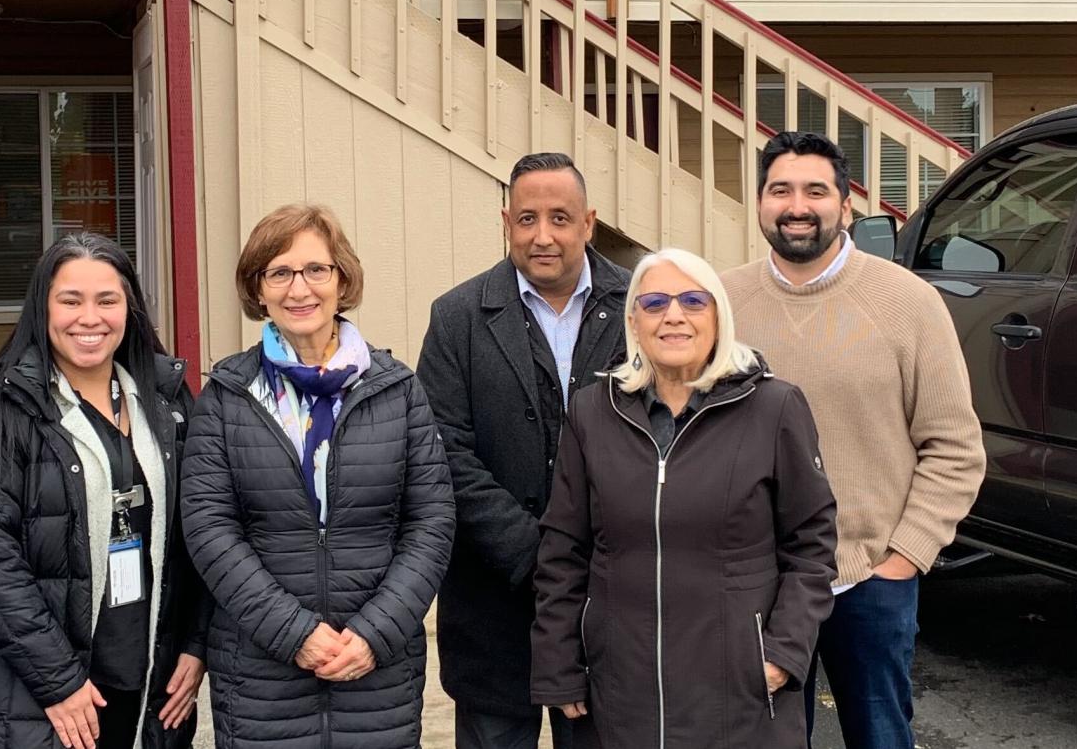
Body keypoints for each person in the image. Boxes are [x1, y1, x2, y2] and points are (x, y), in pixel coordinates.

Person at [720, 132, 986, 749]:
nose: (797, 205)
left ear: (846, 207)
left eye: (817, 190)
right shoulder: (721, 306)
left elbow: (954, 448)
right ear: (758, 203)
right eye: (780, 189)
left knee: (880, 736)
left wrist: (904, 558)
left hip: (868, 579)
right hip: (758, 580)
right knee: (768, 739)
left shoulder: (909, 303)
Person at [529, 247, 838, 748]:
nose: (674, 315)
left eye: (693, 301)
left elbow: (812, 546)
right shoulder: (592, 412)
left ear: (719, 315)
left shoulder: (774, 408)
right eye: (654, 304)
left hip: (738, 689)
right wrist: (559, 659)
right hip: (620, 685)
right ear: (634, 320)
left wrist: (783, 652)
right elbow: (564, 548)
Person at [180, 203, 456, 749]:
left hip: (377, 666)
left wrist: (377, 633)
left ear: (342, 279)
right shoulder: (227, 396)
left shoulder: (397, 389)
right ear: (258, 290)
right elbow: (210, 529)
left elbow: (431, 521)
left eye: (315, 270)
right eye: (278, 272)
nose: (298, 288)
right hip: (261, 668)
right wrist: (295, 633)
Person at [0, 233, 210, 749]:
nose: (90, 318)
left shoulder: (167, 400)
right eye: (70, 301)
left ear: (129, 308)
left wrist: (196, 645)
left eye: (107, 300)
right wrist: (58, 681)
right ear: (42, 309)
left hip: (152, 678)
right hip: (41, 693)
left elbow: (202, 530)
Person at [416, 152, 629, 749]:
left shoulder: (639, 308)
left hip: (607, 595)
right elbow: (443, 451)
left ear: (589, 223)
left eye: (560, 219)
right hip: (493, 598)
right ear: (506, 221)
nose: (543, 236)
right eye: (527, 218)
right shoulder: (456, 317)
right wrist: (534, 553)